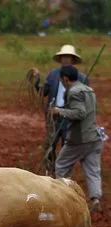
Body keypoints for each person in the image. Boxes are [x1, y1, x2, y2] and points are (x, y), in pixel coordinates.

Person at [52, 65, 104, 213]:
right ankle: (95, 200)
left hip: (80, 139)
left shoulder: (73, 92)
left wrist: (59, 111)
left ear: (65, 79)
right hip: (94, 137)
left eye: (61, 80)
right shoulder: (89, 90)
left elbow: (80, 113)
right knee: (92, 170)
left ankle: (65, 198)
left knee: (61, 165)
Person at [43, 44, 88, 176]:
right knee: (50, 144)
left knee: (66, 146)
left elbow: (84, 100)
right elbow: (44, 91)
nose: (65, 60)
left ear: (73, 60)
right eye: (63, 57)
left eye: (68, 57)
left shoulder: (82, 78)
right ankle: (49, 169)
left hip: (70, 116)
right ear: (60, 59)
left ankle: (63, 173)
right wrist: (36, 84)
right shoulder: (53, 75)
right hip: (54, 116)